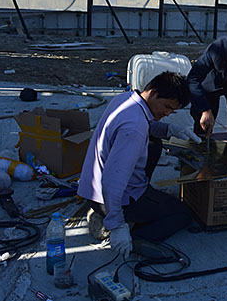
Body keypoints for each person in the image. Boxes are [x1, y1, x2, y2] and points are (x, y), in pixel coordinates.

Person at [77, 71, 200, 258]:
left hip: (92, 189)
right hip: (108, 198)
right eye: (167, 106)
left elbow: (148, 125)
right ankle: (136, 236)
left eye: (172, 111)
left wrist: (170, 129)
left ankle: (118, 211)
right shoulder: (134, 128)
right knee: (182, 213)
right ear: (154, 92)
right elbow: (112, 181)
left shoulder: (126, 99)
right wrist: (117, 225)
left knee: (154, 143)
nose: (167, 113)